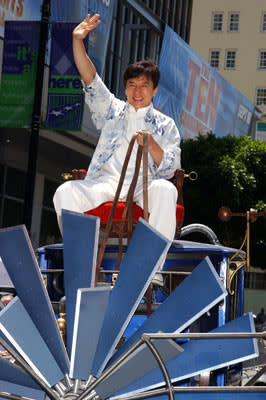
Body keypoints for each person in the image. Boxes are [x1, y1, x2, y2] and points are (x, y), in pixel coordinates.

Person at [53, 14, 181, 282]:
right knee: (65, 193)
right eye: (132, 85)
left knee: (166, 190)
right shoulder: (111, 110)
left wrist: (153, 145)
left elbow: (171, 167)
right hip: (106, 182)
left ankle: (152, 270)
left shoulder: (166, 125)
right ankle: (83, 267)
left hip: (143, 187)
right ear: (125, 88)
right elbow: (90, 79)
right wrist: (78, 41)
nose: (137, 91)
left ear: (154, 90)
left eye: (144, 86)